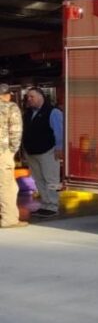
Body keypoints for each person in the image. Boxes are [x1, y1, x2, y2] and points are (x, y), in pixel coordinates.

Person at [23, 87, 63, 219]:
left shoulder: (53, 112)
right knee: (39, 180)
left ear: (41, 97)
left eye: (31, 97)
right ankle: (45, 205)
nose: (29, 99)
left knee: (51, 179)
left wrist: (59, 148)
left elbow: (59, 132)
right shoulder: (28, 113)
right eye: (28, 97)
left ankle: (53, 206)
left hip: (48, 151)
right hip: (32, 153)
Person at [1, 83, 27, 229]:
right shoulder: (10, 107)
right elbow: (16, 131)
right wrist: (13, 151)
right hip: (2, 152)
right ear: (7, 95)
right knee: (8, 186)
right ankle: (9, 219)